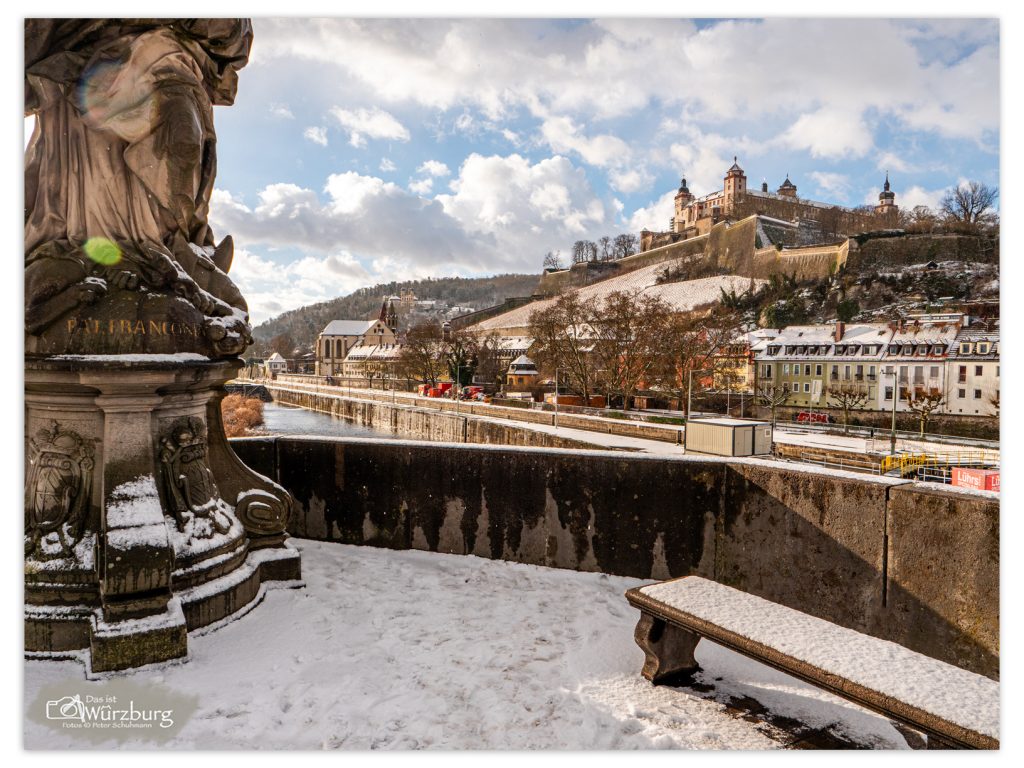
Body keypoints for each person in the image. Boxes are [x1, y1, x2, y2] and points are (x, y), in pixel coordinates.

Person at [24, 19, 253, 355]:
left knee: (183, 145)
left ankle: (160, 248)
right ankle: (115, 256)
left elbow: (232, 33)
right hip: (85, 68)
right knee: (99, 169)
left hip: (168, 58)